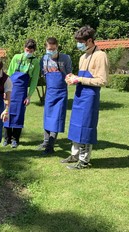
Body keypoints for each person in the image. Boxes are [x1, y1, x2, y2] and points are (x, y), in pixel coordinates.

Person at [62, 25, 108, 169]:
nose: (79, 44)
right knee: (75, 125)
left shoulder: (100, 55)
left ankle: (84, 160)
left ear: (89, 40)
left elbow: (102, 80)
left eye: (81, 41)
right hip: (80, 95)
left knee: (86, 127)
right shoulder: (83, 56)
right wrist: (72, 78)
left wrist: (80, 79)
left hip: (90, 97)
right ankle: (74, 154)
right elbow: (80, 78)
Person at [37, 37, 72, 155]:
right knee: (47, 117)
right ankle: (46, 142)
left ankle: (50, 146)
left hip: (61, 92)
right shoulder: (43, 59)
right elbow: (43, 73)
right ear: (46, 48)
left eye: (53, 48)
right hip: (50, 92)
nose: (51, 50)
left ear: (57, 46)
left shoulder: (66, 58)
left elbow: (69, 74)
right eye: (49, 49)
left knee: (56, 119)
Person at [3, 39, 40, 148]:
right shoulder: (16, 57)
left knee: (18, 115)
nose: (28, 52)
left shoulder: (35, 62)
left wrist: (29, 96)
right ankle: (6, 138)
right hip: (11, 89)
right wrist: (5, 90)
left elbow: (34, 81)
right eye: (27, 50)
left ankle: (15, 139)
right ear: (24, 48)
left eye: (31, 51)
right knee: (7, 112)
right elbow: (9, 73)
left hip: (22, 92)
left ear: (34, 51)